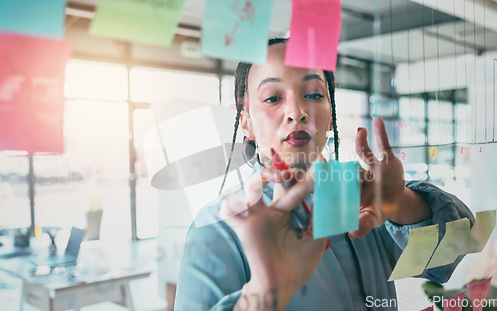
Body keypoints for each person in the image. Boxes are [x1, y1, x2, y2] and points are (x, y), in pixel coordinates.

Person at [174, 38, 474, 311]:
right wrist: (264, 290)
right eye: (272, 98)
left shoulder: (363, 198)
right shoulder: (218, 227)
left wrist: (402, 203)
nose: (297, 111)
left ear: (330, 116)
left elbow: (452, 254)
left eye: (314, 94)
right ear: (246, 123)